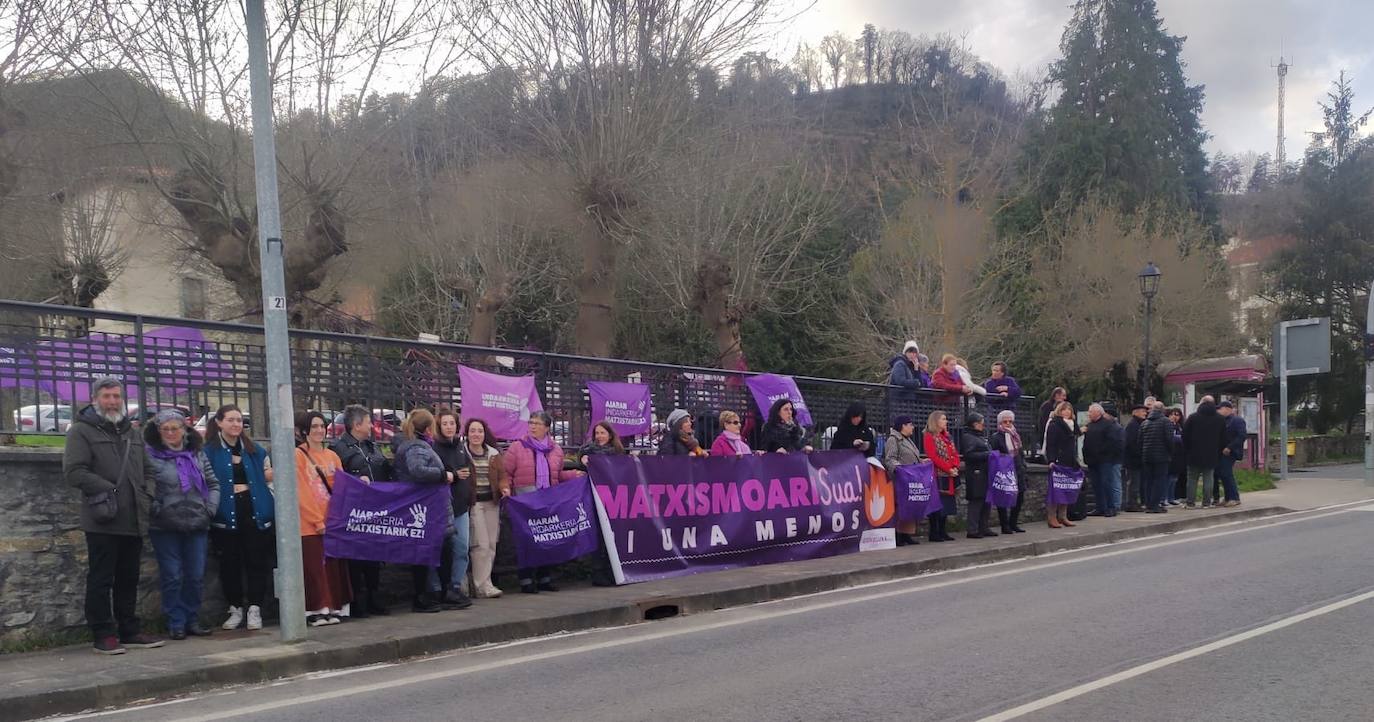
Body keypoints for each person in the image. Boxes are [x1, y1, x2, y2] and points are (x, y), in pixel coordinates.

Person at [65, 377, 165, 654]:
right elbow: (74, 471)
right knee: (101, 578)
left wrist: (148, 493)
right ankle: (103, 633)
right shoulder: (81, 431)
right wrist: (110, 490)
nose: (112, 402)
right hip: (102, 517)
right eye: (107, 396)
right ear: (95, 398)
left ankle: (129, 629)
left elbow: (148, 470)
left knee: (128, 577)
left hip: (134, 518)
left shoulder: (132, 433)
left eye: (116, 397)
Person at [145, 408, 220, 640]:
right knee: (172, 575)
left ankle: (192, 618)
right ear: (158, 432)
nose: (170, 433)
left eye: (174, 428)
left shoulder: (197, 454)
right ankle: (175, 621)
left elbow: (213, 483)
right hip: (165, 525)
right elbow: (144, 487)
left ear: (184, 429)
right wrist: (155, 508)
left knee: (195, 575)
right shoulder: (150, 455)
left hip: (197, 522)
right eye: (165, 429)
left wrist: (210, 509)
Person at [205, 404, 275, 632]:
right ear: (219, 423)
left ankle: (255, 608)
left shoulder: (255, 450)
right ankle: (235, 608)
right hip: (225, 515)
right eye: (231, 420)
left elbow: (266, 477)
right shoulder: (209, 451)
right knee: (229, 564)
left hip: (253, 512)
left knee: (256, 562)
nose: (236, 424)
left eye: (239, 420)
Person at [328, 405, 391, 617]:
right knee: (355, 557)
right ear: (356, 425)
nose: (372, 425)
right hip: (353, 510)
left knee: (374, 555)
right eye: (368, 421)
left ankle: (375, 596)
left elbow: (382, 469)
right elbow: (336, 478)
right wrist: (356, 481)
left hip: (375, 509)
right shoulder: (338, 448)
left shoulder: (372, 446)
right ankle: (356, 599)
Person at [503, 411, 573, 593]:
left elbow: (557, 475)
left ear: (547, 428)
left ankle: (544, 578)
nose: (533, 426)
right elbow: (506, 474)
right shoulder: (517, 447)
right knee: (527, 539)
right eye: (531, 423)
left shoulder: (556, 450)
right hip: (525, 500)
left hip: (548, 499)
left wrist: (574, 475)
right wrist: (507, 495)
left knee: (546, 537)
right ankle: (526, 579)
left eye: (537, 423)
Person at [293, 411, 352, 625]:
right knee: (314, 568)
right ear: (305, 430)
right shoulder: (298, 455)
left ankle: (334, 607)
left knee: (333, 568)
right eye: (314, 426)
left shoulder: (332, 456)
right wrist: (317, 520)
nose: (319, 430)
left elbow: (342, 488)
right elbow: (301, 491)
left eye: (322, 426)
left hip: (333, 521)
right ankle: (316, 609)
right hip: (309, 524)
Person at [391, 408, 449, 613]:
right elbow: (418, 471)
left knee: (425, 552)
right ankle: (422, 596)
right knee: (421, 553)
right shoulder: (416, 447)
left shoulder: (416, 445)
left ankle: (427, 594)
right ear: (427, 428)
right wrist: (443, 474)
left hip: (421, 505)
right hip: (419, 506)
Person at [430, 408, 475, 609]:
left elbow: (468, 470)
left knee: (462, 548)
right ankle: (438, 588)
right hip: (443, 507)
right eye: (445, 423)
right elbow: (438, 475)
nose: (449, 427)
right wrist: (454, 475)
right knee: (441, 551)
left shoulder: (460, 446)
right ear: (439, 426)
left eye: (452, 423)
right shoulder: (435, 448)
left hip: (461, 505)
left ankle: (455, 586)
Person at [464, 418, 508, 599]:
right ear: (467, 434)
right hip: (475, 503)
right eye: (472, 431)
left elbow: (502, 476)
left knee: (491, 545)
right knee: (480, 544)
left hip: (492, 502)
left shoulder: (493, 454)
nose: (476, 434)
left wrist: (505, 487)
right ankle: (481, 585)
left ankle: (485, 581)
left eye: (479, 431)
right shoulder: (463, 453)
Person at [576, 420, 623, 587]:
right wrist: (582, 462)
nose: (599, 436)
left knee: (612, 535)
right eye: (597, 433)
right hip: (593, 498)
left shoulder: (617, 452)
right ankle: (598, 572)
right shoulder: (587, 452)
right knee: (598, 535)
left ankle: (612, 570)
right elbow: (579, 472)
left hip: (613, 498)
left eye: (603, 433)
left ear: (610, 434)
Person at [881, 415, 922, 546]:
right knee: (899, 507)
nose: (913, 427)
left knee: (909, 507)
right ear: (903, 426)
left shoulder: (908, 440)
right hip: (900, 479)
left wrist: (922, 462)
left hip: (911, 479)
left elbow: (913, 456)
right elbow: (890, 459)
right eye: (910, 424)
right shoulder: (894, 440)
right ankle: (898, 534)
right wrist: (900, 469)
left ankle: (906, 534)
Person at [1181, 396, 1227, 509]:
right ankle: (1206, 503)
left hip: (1193, 453)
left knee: (1192, 478)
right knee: (1208, 478)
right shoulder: (1220, 419)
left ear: (1201, 403)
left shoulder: (1193, 417)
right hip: (1211, 454)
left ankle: (1190, 502)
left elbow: (1184, 436)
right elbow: (1223, 438)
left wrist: (1187, 449)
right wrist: (1218, 451)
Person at [922, 410, 960, 542]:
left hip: (949, 473)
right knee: (937, 504)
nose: (946, 421)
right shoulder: (929, 436)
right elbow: (933, 456)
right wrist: (948, 469)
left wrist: (955, 466)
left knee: (946, 504)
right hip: (938, 474)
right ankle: (934, 532)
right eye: (943, 419)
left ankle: (943, 531)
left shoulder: (947, 436)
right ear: (936, 421)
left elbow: (954, 453)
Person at [1082, 403, 1124, 517]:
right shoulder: (1090, 425)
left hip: (1105, 460)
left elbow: (1112, 442)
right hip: (1092, 460)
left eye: (1090, 411)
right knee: (1096, 485)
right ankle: (1100, 507)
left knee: (1106, 483)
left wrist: (1101, 452)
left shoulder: (1108, 425)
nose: (1089, 414)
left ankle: (1111, 507)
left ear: (1098, 412)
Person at [1043, 400, 1081, 528]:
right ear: (1059, 411)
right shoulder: (1055, 424)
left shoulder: (1072, 425)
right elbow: (1051, 444)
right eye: (1064, 409)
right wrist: (1051, 460)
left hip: (1069, 460)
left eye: (1069, 410)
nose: (1067, 412)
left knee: (1067, 488)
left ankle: (1063, 516)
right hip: (1058, 460)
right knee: (1056, 490)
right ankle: (1052, 517)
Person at [990, 410, 1028, 534]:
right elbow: (994, 454)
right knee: (1003, 497)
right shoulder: (996, 437)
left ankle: (1013, 523)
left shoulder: (1015, 435)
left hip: (1018, 468)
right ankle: (1004, 525)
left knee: (1019, 497)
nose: (1008, 424)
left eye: (1010, 421)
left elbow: (1020, 453)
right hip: (1005, 471)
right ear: (1000, 423)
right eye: (1005, 422)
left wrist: (1023, 465)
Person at [958, 412, 995, 538]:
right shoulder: (968, 437)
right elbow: (969, 455)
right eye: (981, 423)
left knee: (986, 501)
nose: (983, 426)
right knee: (976, 501)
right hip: (976, 473)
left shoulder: (980, 437)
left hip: (985, 472)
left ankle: (984, 527)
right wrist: (987, 455)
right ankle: (972, 529)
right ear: (975, 424)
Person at [1139, 402, 1173, 513]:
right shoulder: (1166, 422)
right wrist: (1170, 452)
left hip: (1146, 456)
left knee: (1149, 481)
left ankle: (1148, 504)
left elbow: (1139, 441)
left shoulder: (1144, 423)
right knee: (1159, 480)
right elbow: (1169, 440)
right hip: (1161, 456)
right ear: (1163, 410)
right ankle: (1155, 505)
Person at [1215, 401, 1246, 507]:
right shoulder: (1222, 421)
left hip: (1231, 452)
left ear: (1227, 409)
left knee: (1226, 473)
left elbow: (1241, 436)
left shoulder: (1237, 420)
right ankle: (1228, 497)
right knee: (1222, 474)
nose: (1218, 411)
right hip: (1222, 451)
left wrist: (1230, 447)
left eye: (1220, 409)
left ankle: (1234, 497)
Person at [1121, 404, 1149, 513]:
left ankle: (1134, 502)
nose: (1145, 413)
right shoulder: (1133, 425)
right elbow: (1132, 444)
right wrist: (1139, 454)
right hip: (1133, 460)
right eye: (1142, 411)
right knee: (1134, 483)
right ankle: (1131, 503)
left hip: (1137, 459)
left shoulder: (1139, 424)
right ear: (1135, 412)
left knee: (1137, 482)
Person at [888, 341, 925, 410]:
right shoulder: (900, 364)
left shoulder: (912, 366)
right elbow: (900, 381)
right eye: (910, 351)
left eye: (915, 352)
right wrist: (916, 383)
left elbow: (921, 384)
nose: (912, 354)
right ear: (905, 352)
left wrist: (916, 369)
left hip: (909, 403)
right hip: (898, 401)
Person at [1037, 387, 1068, 456]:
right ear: (1057, 395)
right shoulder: (1047, 406)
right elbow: (1043, 423)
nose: (1065, 398)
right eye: (1063, 395)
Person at [1166, 407, 1187, 506]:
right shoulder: (1167, 425)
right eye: (1173, 414)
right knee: (1168, 478)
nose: (1175, 417)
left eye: (1177, 415)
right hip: (1170, 455)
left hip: (1179, 455)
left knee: (1174, 478)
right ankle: (1164, 498)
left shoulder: (1180, 426)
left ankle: (1172, 497)